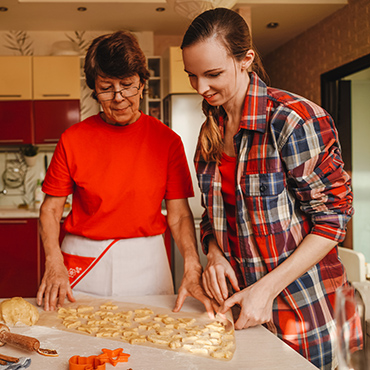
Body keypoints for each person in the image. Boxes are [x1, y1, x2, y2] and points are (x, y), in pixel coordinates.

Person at [181, 8, 361, 370]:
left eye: (212, 74)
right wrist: (214, 253)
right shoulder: (210, 131)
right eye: (193, 76)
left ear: (246, 59)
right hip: (243, 312)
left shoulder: (293, 120)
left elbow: (333, 221)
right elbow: (214, 218)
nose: (201, 88)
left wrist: (266, 289)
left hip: (309, 313)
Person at [36, 30, 213, 318]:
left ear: (143, 83)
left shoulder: (167, 141)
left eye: (127, 85)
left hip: (147, 263)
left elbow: (179, 215)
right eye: (106, 88)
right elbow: (50, 210)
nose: (118, 98)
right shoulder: (72, 139)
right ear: (94, 89)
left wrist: (193, 264)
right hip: (83, 262)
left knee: (151, 343)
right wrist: (53, 262)